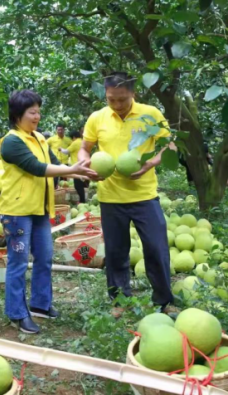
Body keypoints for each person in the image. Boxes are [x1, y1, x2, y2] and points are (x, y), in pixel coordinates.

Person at [78, 71, 176, 319]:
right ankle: (120, 300)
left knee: (156, 248)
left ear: (133, 93)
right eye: (112, 99)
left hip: (144, 195)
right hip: (111, 197)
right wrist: (86, 164)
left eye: (122, 99)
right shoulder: (97, 118)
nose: (117, 105)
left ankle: (164, 300)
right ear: (106, 95)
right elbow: (84, 148)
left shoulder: (150, 114)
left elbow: (169, 144)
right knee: (116, 252)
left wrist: (151, 162)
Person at [0, 90, 97, 334]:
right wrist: (74, 169)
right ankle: (17, 314)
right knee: (19, 263)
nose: (37, 116)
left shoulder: (40, 139)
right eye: (32, 112)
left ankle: (40, 305)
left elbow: (57, 166)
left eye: (38, 111)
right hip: (17, 211)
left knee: (44, 257)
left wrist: (80, 173)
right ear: (17, 114)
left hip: (41, 208)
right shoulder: (11, 141)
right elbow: (36, 168)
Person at [59, 131, 86, 203]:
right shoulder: (83, 141)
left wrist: (61, 149)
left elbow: (66, 151)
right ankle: (82, 200)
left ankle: (82, 201)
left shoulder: (75, 143)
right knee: (81, 185)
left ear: (74, 137)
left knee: (78, 186)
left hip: (77, 166)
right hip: (83, 165)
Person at [47, 123, 72, 188]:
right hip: (54, 162)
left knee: (64, 180)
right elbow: (44, 145)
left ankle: (63, 194)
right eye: (58, 130)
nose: (60, 131)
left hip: (65, 162)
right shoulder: (52, 139)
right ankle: (54, 191)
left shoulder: (68, 140)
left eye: (61, 129)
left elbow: (72, 148)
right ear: (56, 130)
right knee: (54, 179)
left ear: (64, 130)